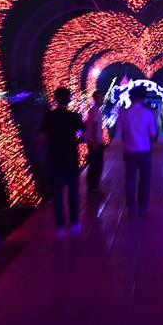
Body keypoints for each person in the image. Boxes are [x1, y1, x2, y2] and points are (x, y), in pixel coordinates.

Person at [40, 87, 84, 237]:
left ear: (55, 99)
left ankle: (60, 227)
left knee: (57, 194)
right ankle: (75, 223)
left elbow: (42, 137)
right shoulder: (75, 116)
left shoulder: (49, 116)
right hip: (71, 157)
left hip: (54, 158)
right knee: (73, 192)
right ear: (69, 99)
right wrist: (76, 141)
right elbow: (83, 134)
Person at [115, 85, 159, 214]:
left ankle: (131, 207)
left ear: (131, 97)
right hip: (145, 150)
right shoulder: (148, 113)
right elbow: (153, 133)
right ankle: (143, 206)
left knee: (130, 179)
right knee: (145, 179)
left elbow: (118, 133)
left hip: (129, 151)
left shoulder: (124, 113)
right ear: (143, 98)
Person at [84, 89, 106, 194]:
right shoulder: (95, 111)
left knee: (94, 165)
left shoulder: (94, 110)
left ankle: (92, 188)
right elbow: (94, 126)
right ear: (96, 98)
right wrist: (96, 142)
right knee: (96, 165)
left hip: (94, 141)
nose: (103, 99)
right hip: (95, 142)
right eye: (101, 98)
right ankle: (93, 188)